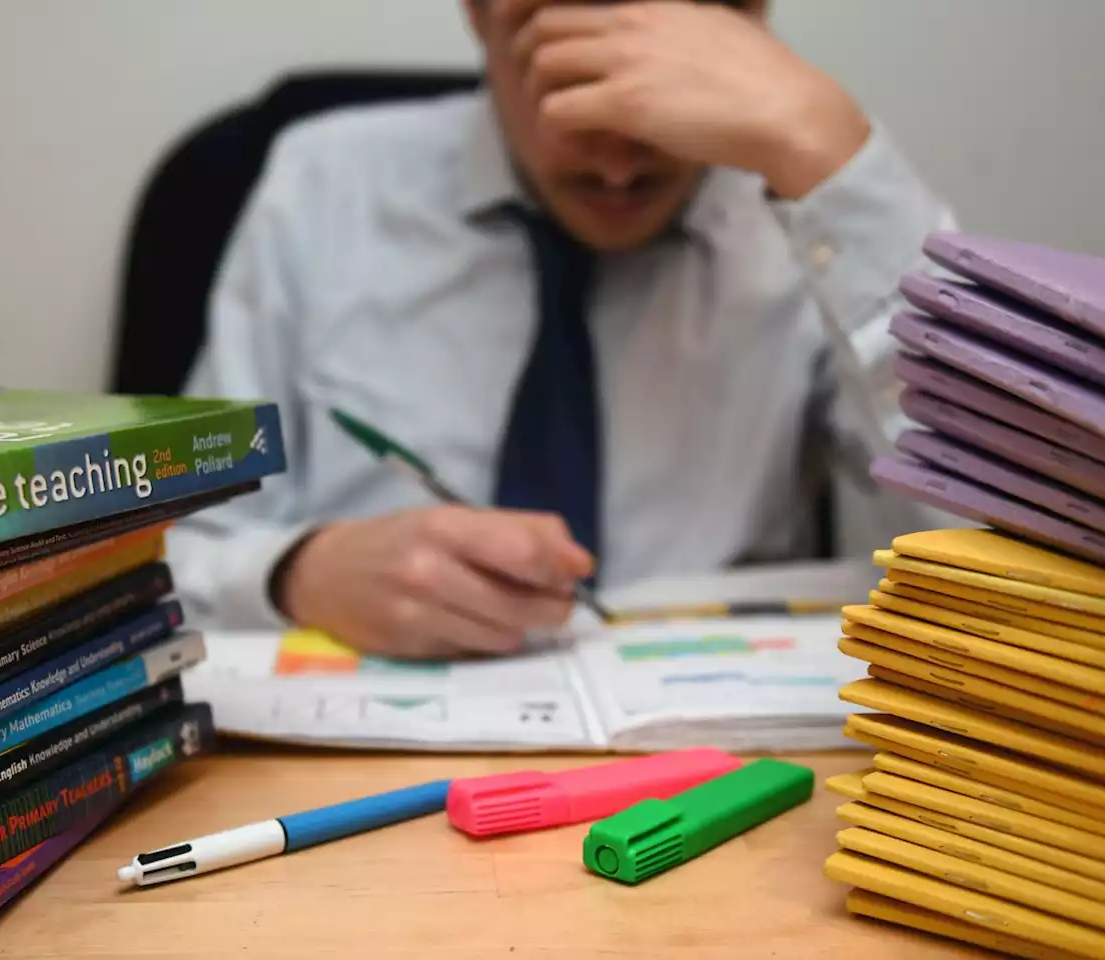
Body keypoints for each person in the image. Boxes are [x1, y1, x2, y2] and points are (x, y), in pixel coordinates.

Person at [165, 0, 955, 659]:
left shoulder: (813, 216)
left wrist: (834, 158)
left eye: (654, 77)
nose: (616, 167)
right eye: (562, 69)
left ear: (745, 25)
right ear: (480, 13)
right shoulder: (322, 189)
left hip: (720, 768)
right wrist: (297, 574)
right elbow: (158, 566)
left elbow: (1008, 557)